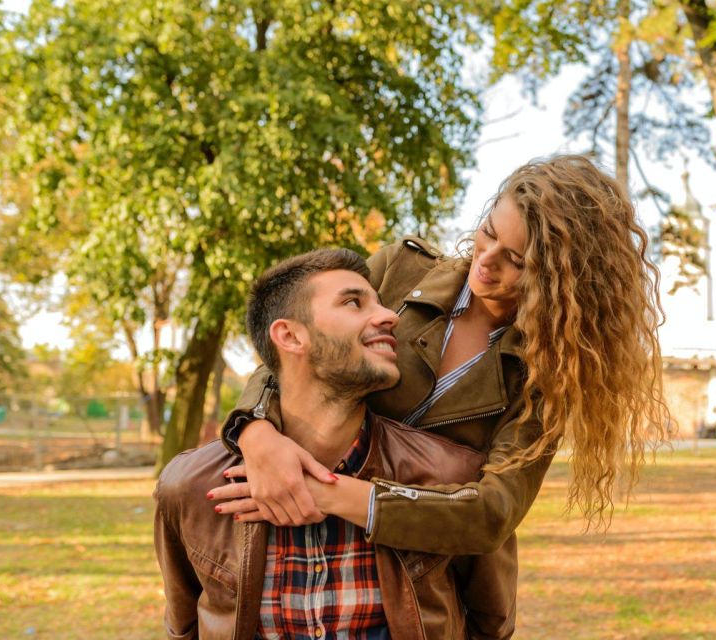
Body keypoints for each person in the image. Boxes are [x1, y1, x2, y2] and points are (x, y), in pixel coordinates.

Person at [210, 155, 672, 634]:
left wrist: (332, 493)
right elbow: (292, 350)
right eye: (489, 233)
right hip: (302, 550)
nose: (486, 262)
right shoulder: (397, 271)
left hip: (428, 584)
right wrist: (256, 432)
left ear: (563, 280)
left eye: (517, 261)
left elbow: (492, 512)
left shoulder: (546, 378)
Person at [154, 249, 492, 639]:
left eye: (380, 304)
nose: (390, 316)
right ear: (291, 336)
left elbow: (490, 624)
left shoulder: (448, 476)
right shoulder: (190, 487)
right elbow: (184, 627)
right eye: (353, 303)